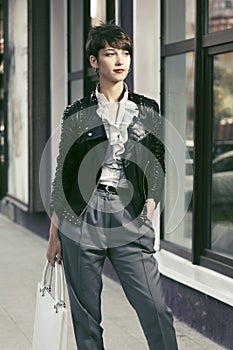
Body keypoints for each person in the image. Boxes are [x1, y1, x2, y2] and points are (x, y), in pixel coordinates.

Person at [47, 23, 178, 350]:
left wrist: (148, 209)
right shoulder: (77, 113)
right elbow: (65, 172)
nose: (120, 60)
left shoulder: (148, 109)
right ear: (94, 62)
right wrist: (54, 234)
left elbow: (157, 164)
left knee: (156, 308)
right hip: (83, 219)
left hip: (129, 215)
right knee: (87, 320)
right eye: (110, 53)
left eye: (125, 52)